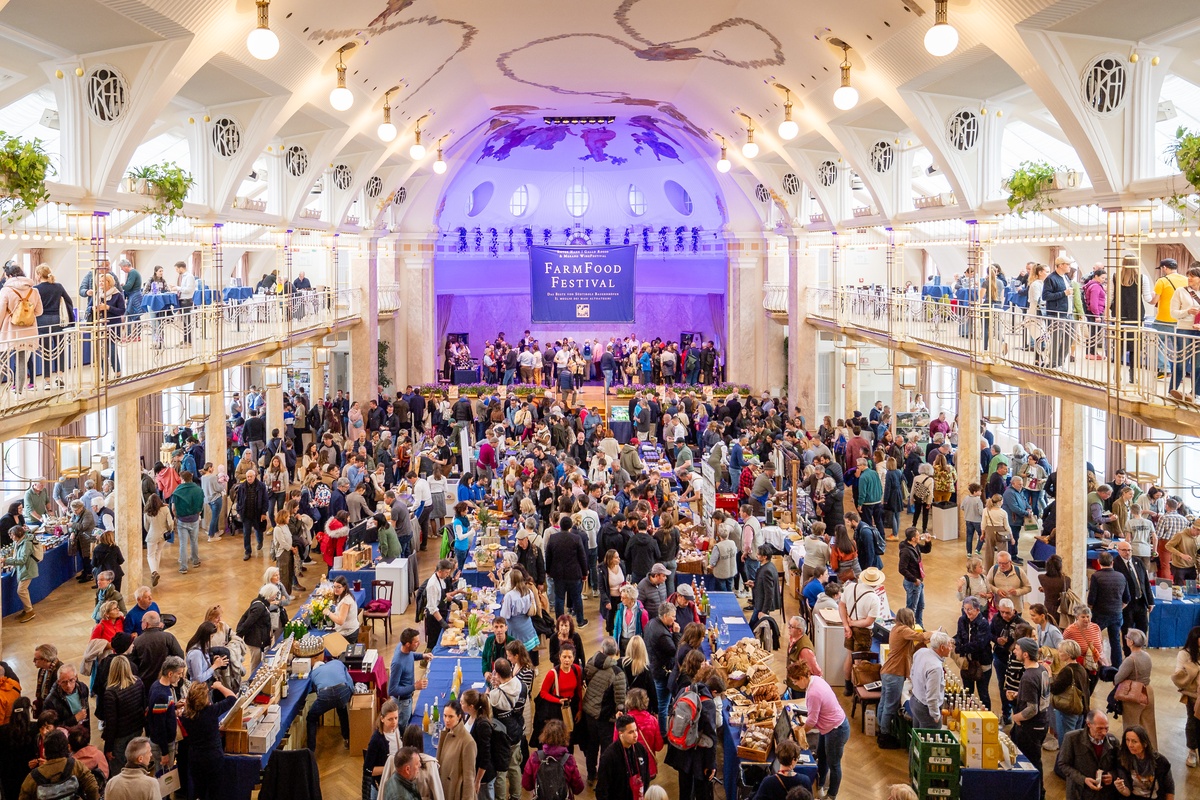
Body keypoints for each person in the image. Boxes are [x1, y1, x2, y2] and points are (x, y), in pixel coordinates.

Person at [792, 660, 849, 800]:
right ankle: (820, 784)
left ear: (802, 678)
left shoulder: (813, 693)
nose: (795, 685)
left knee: (834, 764)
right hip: (830, 728)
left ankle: (831, 795)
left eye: (795, 682)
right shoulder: (815, 679)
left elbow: (811, 721)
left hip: (836, 730)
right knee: (821, 755)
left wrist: (800, 732)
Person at [877, 608, 929, 747]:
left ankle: (881, 729)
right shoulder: (903, 630)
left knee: (883, 702)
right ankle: (885, 736)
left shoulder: (896, 629)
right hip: (895, 673)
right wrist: (936, 634)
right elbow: (921, 636)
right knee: (891, 705)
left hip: (888, 671)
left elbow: (910, 649)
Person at [178, 680, 237, 800]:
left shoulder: (186, 716)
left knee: (199, 790)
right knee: (215, 790)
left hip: (195, 757)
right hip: (213, 757)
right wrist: (219, 686)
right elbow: (232, 698)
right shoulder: (211, 711)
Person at [1007, 638, 1051, 788]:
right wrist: (1018, 696)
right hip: (1043, 723)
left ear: (1025, 654)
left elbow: (1032, 708)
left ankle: (1036, 792)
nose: (1014, 651)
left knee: (1031, 763)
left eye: (1017, 649)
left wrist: (1016, 717)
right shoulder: (1042, 669)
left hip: (1031, 727)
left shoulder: (1028, 677)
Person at [18, 729, 100, 800]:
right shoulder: (75, 765)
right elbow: (92, 787)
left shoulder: (33, 777)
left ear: (45, 751)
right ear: (67, 747)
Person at [838, 566, 883, 695]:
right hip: (863, 632)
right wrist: (853, 623)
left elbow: (841, 605)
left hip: (849, 628)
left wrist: (847, 625)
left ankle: (847, 687)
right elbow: (869, 621)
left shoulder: (850, 587)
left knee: (849, 656)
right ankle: (857, 691)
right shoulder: (874, 598)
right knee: (859, 663)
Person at [1056, 709, 1118, 800]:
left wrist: (1112, 775)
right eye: (1100, 728)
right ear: (1089, 724)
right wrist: (1083, 780)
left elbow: (1120, 765)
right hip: (1079, 793)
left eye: (1106, 728)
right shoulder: (1072, 738)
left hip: (1104, 794)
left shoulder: (1113, 741)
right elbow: (1063, 764)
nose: (1104, 732)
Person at [531, 642, 583, 745]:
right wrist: (558, 700)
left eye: (569, 657)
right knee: (559, 738)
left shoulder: (577, 669)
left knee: (570, 738)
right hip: (557, 709)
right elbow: (543, 693)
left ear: (574, 658)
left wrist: (580, 710)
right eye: (564, 657)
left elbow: (579, 690)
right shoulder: (552, 673)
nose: (567, 660)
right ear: (559, 657)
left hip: (571, 706)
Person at [99, 656, 145, 772]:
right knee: (135, 763)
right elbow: (144, 706)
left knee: (118, 769)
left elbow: (111, 723)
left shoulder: (110, 693)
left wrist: (108, 747)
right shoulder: (139, 682)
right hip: (137, 729)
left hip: (120, 736)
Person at [1113, 629, 1157, 750]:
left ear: (1131, 642)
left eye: (1127, 637)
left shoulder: (1130, 660)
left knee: (1131, 727)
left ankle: (1131, 755)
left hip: (1134, 694)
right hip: (1148, 691)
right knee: (1148, 725)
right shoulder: (1147, 655)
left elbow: (1118, 678)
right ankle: (1152, 752)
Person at [522, 719, 585, 799]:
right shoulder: (569, 759)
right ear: (565, 736)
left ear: (544, 735)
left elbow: (526, 785)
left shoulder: (535, 757)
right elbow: (578, 788)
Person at [596, 715, 652, 800]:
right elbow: (602, 790)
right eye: (630, 732)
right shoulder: (608, 757)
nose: (635, 735)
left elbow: (646, 775)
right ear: (620, 733)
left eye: (636, 730)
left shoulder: (640, 749)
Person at [145, 656, 186, 771]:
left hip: (162, 742)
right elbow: (160, 726)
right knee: (165, 776)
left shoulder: (157, 685)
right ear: (170, 674)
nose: (180, 677)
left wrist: (174, 706)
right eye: (179, 673)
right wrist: (164, 753)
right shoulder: (162, 696)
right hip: (163, 744)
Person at [1112, 725, 1174, 800]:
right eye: (1127, 740)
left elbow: (1169, 788)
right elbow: (1127, 793)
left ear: (1145, 744)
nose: (1130, 745)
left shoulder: (1161, 761)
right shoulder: (1123, 760)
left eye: (1134, 741)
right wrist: (1122, 789)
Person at [306, 658, 354, 752]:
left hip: (325, 695)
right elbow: (349, 679)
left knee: (311, 717)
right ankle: (347, 739)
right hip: (343, 691)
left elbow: (316, 690)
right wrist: (350, 693)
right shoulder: (337, 663)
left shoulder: (313, 673)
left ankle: (310, 751)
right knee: (342, 708)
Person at [954, 596, 993, 708]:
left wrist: (960, 649)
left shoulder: (984, 624)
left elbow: (979, 644)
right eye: (965, 609)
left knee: (983, 694)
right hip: (967, 663)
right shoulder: (962, 620)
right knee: (967, 693)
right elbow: (959, 636)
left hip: (982, 663)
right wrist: (954, 641)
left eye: (970, 609)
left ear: (977, 609)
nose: (967, 612)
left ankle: (987, 719)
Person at [1050, 639, 1088, 749]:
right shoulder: (1081, 669)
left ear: (1068, 654)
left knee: (1066, 744)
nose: (1058, 653)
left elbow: (1054, 689)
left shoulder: (1067, 671)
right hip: (1079, 710)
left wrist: (1049, 674)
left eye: (1061, 651)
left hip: (1067, 711)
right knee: (1074, 741)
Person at [911, 631, 953, 729]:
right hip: (926, 710)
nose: (951, 649)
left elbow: (912, 673)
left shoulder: (921, 652)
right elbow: (932, 696)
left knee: (917, 740)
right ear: (942, 648)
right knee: (929, 742)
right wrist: (936, 715)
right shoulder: (936, 668)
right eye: (949, 646)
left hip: (915, 701)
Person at [388, 628, 430, 726]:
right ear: (408, 644)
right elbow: (392, 690)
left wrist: (423, 656)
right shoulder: (397, 663)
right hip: (402, 703)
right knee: (404, 727)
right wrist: (415, 687)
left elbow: (410, 655)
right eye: (416, 642)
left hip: (408, 698)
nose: (419, 644)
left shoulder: (403, 647)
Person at [438, 700, 478, 800]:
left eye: (450, 716)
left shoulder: (467, 742)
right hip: (444, 787)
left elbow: (469, 777)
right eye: (445, 715)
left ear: (459, 716)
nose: (446, 720)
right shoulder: (446, 733)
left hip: (456, 792)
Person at [366, 700, 405, 799]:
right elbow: (368, 770)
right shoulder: (376, 740)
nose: (394, 722)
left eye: (396, 718)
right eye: (390, 719)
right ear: (382, 719)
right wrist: (391, 767)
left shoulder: (398, 729)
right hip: (383, 784)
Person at [1173, 625, 1200, 768]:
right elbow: (1179, 675)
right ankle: (1192, 751)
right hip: (1193, 696)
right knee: (1193, 722)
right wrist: (1193, 669)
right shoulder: (1185, 654)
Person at [3, 525, 38, 622]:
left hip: (27, 570)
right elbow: (16, 557)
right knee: (23, 590)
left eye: (12, 535)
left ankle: (30, 611)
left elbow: (22, 560)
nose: (11, 537)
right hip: (23, 570)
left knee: (21, 590)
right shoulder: (18, 542)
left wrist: (5, 560)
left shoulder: (26, 543)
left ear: (18, 534)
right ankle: (26, 610)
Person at [897, 526, 930, 626]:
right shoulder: (906, 552)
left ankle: (919, 625)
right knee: (911, 609)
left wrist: (928, 542)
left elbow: (926, 550)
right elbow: (902, 569)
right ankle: (908, 628)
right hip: (913, 583)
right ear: (913, 539)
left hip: (918, 582)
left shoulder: (915, 545)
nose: (920, 536)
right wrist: (914, 579)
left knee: (920, 605)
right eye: (918, 535)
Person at [43, 664, 90, 730]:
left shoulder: (83, 688)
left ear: (76, 677)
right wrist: (75, 719)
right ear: (58, 682)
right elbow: (51, 727)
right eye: (64, 682)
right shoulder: (50, 701)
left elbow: (86, 713)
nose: (68, 685)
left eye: (71, 680)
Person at [748, 544, 779, 629]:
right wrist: (754, 584)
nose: (756, 556)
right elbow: (763, 584)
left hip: (761, 605)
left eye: (758, 554)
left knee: (752, 628)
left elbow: (769, 593)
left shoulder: (767, 571)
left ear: (764, 557)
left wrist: (764, 611)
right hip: (760, 603)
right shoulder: (769, 566)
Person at [330, 574, 360, 642]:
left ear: (344, 587)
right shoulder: (342, 596)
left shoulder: (346, 602)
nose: (335, 589)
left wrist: (329, 613)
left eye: (338, 587)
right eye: (334, 587)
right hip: (347, 631)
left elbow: (340, 621)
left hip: (348, 634)